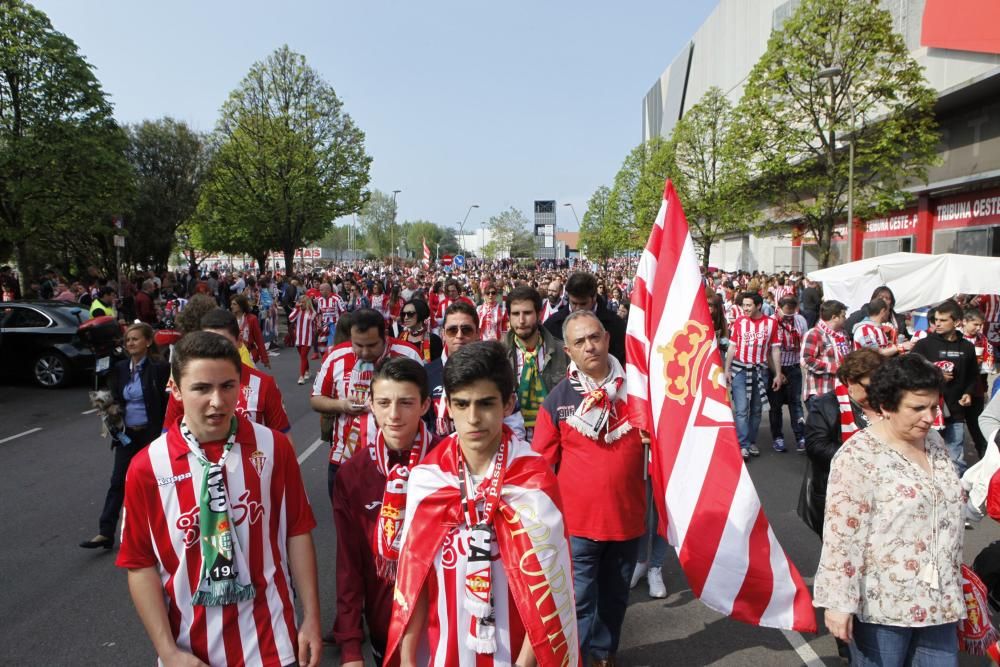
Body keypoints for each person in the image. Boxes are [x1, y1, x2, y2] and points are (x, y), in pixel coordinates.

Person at [116, 332, 322, 667]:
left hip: (272, 640)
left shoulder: (273, 448)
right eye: (201, 388)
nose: (217, 401)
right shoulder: (146, 468)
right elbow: (140, 565)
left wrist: (311, 617)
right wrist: (168, 652)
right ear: (176, 389)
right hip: (191, 650)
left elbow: (297, 531)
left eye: (227, 386)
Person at [386, 341, 579, 667]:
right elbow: (414, 584)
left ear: (508, 404)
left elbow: (551, 595)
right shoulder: (427, 480)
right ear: (446, 406)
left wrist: (524, 663)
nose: (473, 418)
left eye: (486, 403)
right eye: (461, 404)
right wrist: (407, 659)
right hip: (445, 655)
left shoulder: (533, 480)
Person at [814, 354, 964, 666]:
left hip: (939, 598)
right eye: (917, 408)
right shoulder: (858, 456)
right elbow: (842, 536)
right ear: (886, 407)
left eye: (934, 407)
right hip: (884, 605)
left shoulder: (934, 441)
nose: (930, 417)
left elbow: (944, 502)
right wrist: (839, 603)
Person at [532, 311, 645, 664]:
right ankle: (574, 658)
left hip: (628, 522)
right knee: (578, 600)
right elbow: (539, 466)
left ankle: (601, 654)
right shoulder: (557, 400)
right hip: (577, 526)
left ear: (608, 339)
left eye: (595, 337)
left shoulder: (640, 392)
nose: (589, 346)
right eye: (579, 342)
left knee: (614, 599)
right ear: (568, 350)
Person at [332, 358, 434, 667]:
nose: (393, 415)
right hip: (385, 626)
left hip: (444, 626)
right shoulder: (352, 473)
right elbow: (349, 565)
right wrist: (350, 645)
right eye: (384, 402)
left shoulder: (447, 464)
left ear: (425, 405)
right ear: (371, 405)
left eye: (406, 403)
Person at [311, 308, 422, 504]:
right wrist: (342, 405)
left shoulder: (408, 355)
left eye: (371, 345)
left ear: (385, 336)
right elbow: (316, 399)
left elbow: (423, 403)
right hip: (344, 460)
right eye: (358, 345)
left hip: (398, 462)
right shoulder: (336, 356)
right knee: (347, 529)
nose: (364, 352)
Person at [80, 323, 170, 550]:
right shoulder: (120, 368)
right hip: (127, 435)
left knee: (154, 484)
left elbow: (169, 402)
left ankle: (161, 530)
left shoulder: (159, 368)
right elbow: (110, 396)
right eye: (128, 340)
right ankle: (105, 532)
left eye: (135, 339)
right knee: (118, 482)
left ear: (148, 342)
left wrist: (167, 433)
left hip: (152, 436)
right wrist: (107, 408)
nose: (130, 343)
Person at [161, 309, 291, 436]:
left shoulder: (264, 384)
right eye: (208, 343)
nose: (215, 350)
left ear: (239, 341)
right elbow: (167, 438)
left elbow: (283, 442)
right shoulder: (185, 385)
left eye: (224, 344)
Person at [911, 299, 979, 475]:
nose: (937, 323)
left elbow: (973, 376)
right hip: (929, 412)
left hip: (956, 411)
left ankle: (958, 497)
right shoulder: (924, 345)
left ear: (956, 322)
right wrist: (935, 375)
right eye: (936, 320)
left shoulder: (967, 347)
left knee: (956, 459)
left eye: (942, 320)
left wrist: (968, 393)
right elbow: (909, 373)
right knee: (927, 458)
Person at [503, 285, 570, 441]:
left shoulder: (564, 352)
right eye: (515, 314)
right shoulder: (497, 355)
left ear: (539, 314)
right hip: (511, 442)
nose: (521, 320)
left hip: (554, 439)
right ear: (509, 317)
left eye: (527, 313)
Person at [724, 291, 783, 459]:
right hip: (740, 370)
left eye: (749, 305)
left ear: (758, 306)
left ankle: (750, 442)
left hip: (761, 370)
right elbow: (732, 347)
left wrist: (778, 374)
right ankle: (743, 444)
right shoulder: (739, 322)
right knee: (742, 409)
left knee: (757, 410)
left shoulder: (771, 324)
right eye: (744, 305)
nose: (745, 308)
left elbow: (775, 349)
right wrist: (727, 370)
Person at [544, 272, 627, 366]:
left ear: (594, 297)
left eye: (583, 304)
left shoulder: (616, 325)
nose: (578, 308)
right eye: (574, 303)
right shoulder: (552, 325)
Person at [768, 295, 809, 452]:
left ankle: (800, 436)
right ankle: (777, 436)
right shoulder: (771, 322)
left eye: (792, 313)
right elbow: (768, 349)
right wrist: (776, 371)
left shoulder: (800, 321)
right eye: (786, 314)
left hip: (793, 366)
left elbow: (805, 342)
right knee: (776, 405)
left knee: (795, 403)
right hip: (775, 367)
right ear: (778, 308)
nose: (789, 317)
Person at [801, 300, 851, 410]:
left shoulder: (843, 334)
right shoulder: (814, 333)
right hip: (821, 392)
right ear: (834, 317)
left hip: (840, 390)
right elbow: (806, 360)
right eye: (843, 316)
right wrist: (833, 367)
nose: (845, 319)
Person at [961, 307, 992, 459]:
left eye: (981, 325)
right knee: (956, 431)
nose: (979, 328)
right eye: (975, 324)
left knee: (978, 427)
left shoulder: (983, 339)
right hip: (957, 390)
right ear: (964, 322)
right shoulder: (956, 338)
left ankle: (984, 462)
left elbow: (987, 365)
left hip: (977, 389)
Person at [394, 298, 443, 363]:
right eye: (403, 314)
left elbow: (436, 367)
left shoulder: (433, 339)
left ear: (420, 314)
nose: (406, 317)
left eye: (410, 314)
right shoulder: (401, 336)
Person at [230, 293, 270, 369]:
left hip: (249, 353)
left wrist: (265, 359)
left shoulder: (252, 319)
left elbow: (259, 340)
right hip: (233, 354)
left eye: (234, 304)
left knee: (251, 377)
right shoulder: (229, 319)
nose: (231, 306)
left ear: (241, 306)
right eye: (231, 304)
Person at [288, 293, 318, 385]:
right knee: (302, 356)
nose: (302, 304)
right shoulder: (297, 311)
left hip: (307, 338)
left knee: (303, 356)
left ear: (307, 303)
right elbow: (291, 319)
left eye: (303, 302)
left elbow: (314, 323)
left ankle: (301, 376)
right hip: (298, 338)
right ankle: (307, 371)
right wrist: (297, 308)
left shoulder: (312, 313)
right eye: (300, 302)